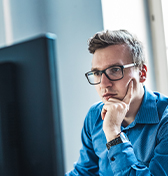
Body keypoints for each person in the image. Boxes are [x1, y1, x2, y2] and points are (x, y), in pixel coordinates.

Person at [65, 30, 168, 175]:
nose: (104, 84)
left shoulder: (165, 122)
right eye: (97, 73)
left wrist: (114, 134)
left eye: (114, 70)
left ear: (142, 73)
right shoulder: (95, 115)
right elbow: (84, 172)